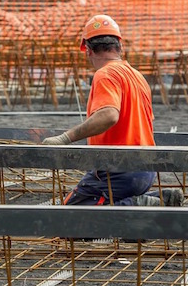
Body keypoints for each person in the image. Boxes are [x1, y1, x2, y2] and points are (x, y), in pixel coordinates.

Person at [42, 14, 183, 207]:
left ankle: (137, 204)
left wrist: (65, 138)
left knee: (72, 219)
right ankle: (155, 200)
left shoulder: (105, 74)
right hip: (146, 169)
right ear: (119, 47)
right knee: (118, 225)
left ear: (88, 50)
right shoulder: (137, 76)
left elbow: (109, 115)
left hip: (119, 168)